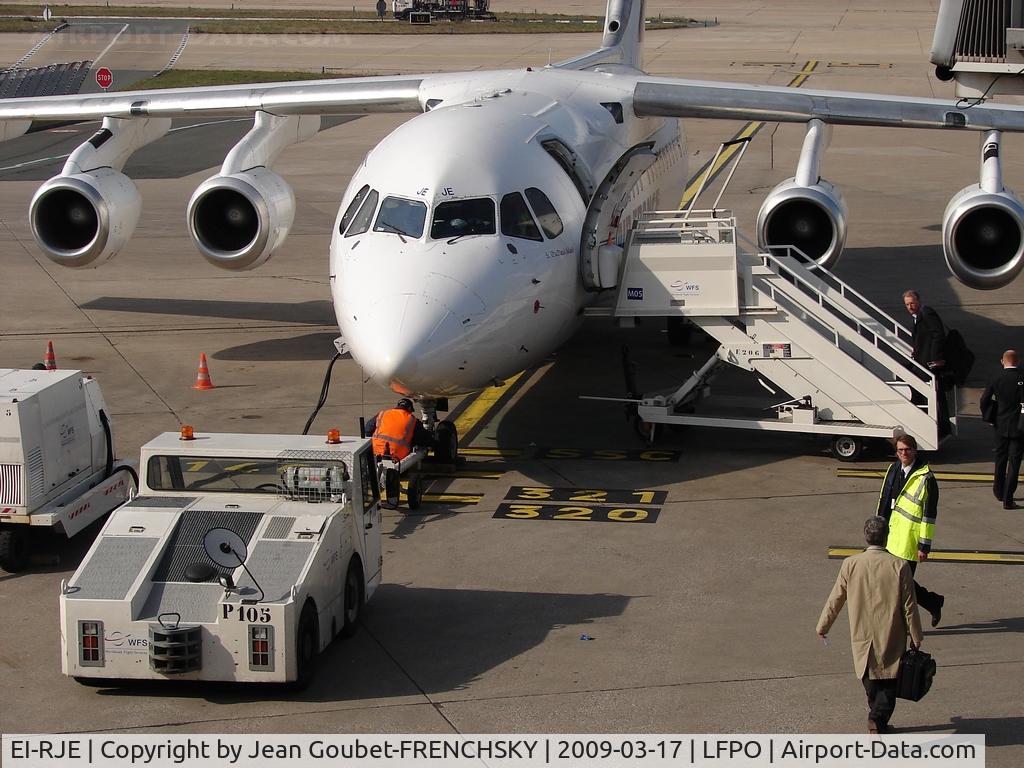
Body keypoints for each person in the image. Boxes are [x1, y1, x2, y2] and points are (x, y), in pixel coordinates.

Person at [817, 516, 923, 735]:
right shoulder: (899, 566)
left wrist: (823, 625)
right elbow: (909, 605)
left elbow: (835, 598)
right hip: (891, 635)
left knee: (871, 681)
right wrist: (916, 635)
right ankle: (876, 720)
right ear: (887, 538)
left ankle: (877, 721)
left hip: (862, 635)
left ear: (866, 537)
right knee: (889, 685)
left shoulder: (851, 564)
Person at [876, 434, 945, 627]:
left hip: (909, 541)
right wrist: (878, 532)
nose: (904, 453)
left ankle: (901, 626)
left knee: (899, 586)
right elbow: (883, 500)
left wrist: (924, 546)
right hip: (890, 537)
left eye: (907, 450)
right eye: (900, 450)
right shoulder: (893, 469)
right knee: (896, 583)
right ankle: (932, 602)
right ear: (896, 452)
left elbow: (929, 515)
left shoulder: (926, 478)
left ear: (914, 450)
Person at [979, 350, 1024, 510]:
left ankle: (998, 491)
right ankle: (1008, 498)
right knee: (1015, 462)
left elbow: (985, 400)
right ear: (1017, 362)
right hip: (1019, 426)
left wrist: (990, 417)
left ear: (1002, 361)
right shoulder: (1021, 378)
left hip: (1000, 424)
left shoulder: (996, 378)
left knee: (1000, 458)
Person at [903, 290, 950, 436]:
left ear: (918, 301)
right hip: (922, 360)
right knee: (931, 394)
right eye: (907, 304)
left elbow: (938, 335)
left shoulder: (927, 313)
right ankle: (937, 424)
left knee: (936, 395)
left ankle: (941, 426)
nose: (909, 307)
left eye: (912, 303)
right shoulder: (917, 316)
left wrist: (934, 358)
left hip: (929, 363)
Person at [365, 398, 435, 459]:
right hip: (397, 457)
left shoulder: (383, 413)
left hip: (374, 453)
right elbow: (423, 439)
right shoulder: (412, 420)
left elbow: (368, 429)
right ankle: (432, 456)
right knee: (429, 449)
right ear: (410, 408)